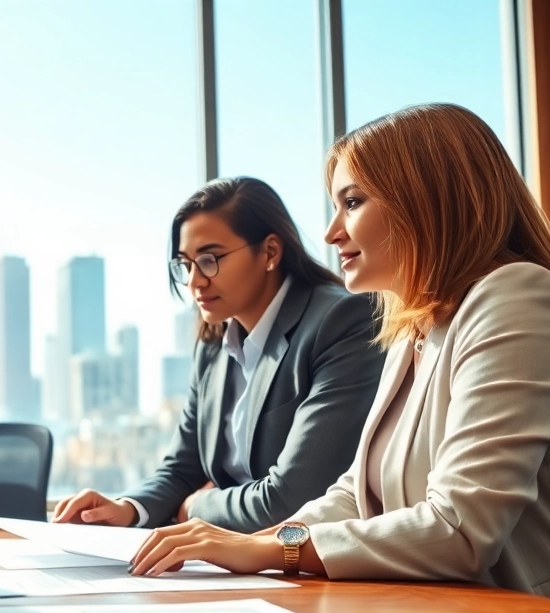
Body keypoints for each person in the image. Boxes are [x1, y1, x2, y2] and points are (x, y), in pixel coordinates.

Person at [129, 104, 550, 613]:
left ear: (424, 199)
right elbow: (354, 495)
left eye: (352, 202)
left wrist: (265, 549)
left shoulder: (517, 296)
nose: (331, 234)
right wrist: (249, 546)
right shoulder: (414, 327)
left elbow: (459, 528)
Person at [53, 177, 384, 533]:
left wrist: (197, 507)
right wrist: (128, 508)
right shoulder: (213, 344)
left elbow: (292, 500)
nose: (195, 280)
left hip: (303, 561)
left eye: (210, 259)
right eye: (186, 264)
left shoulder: (340, 321)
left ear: (270, 252)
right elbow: (183, 466)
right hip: (228, 558)